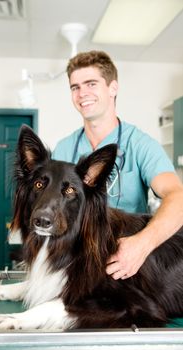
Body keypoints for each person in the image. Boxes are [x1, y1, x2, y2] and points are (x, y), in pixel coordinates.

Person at [52, 50, 183, 280]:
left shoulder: (140, 144)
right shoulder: (64, 149)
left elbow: (178, 198)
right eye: (75, 87)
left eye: (91, 84)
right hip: (75, 264)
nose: (82, 93)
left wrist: (141, 245)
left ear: (113, 88)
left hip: (125, 263)